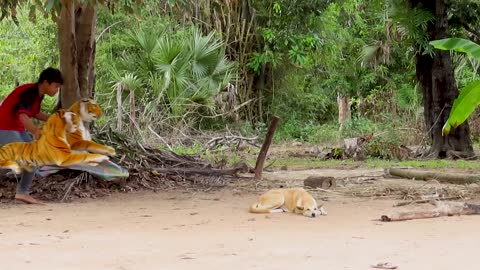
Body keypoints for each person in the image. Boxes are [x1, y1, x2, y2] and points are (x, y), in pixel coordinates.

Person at [0, 67, 63, 205]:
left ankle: (22, 193)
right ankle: (22, 192)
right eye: (56, 86)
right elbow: (23, 115)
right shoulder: (29, 92)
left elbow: (34, 113)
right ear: (45, 82)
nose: (56, 90)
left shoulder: (39, 95)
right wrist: (35, 131)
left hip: (17, 129)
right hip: (4, 127)